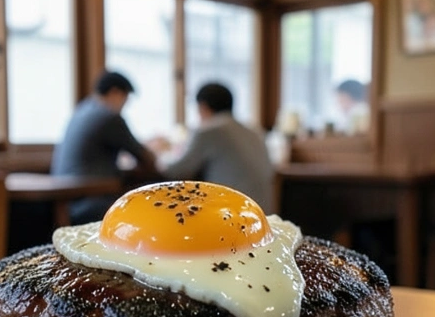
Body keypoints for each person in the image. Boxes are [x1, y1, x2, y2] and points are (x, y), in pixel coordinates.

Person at [52, 70, 157, 224]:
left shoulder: (82, 110)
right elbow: (144, 157)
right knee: (149, 200)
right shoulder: (109, 117)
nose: (124, 106)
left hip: (66, 201)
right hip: (90, 199)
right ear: (115, 92)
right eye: (125, 99)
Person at [161, 82, 275, 211]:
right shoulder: (254, 132)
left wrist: (159, 156)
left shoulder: (209, 131)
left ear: (203, 107)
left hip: (234, 215)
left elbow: (176, 170)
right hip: (264, 214)